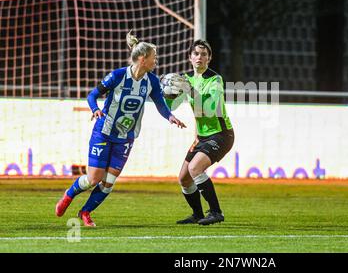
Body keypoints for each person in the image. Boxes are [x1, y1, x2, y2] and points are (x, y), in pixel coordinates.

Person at [55, 30, 186, 227]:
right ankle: (69, 195)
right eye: (154, 57)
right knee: (94, 178)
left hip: (126, 137)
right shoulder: (117, 76)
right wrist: (95, 109)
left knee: (108, 182)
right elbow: (92, 95)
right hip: (104, 131)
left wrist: (171, 116)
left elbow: (160, 103)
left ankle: (85, 212)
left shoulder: (151, 81)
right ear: (142, 59)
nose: (156, 61)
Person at [164, 39, 234, 225]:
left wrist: (189, 89)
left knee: (195, 168)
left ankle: (216, 212)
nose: (199, 57)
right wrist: (168, 92)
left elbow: (209, 108)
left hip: (221, 134)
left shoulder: (215, 79)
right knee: (184, 178)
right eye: (196, 53)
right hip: (202, 136)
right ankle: (197, 214)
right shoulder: (187, 79)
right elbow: (171, 104)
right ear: (190, 57)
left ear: (209, 58)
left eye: (204, 54)